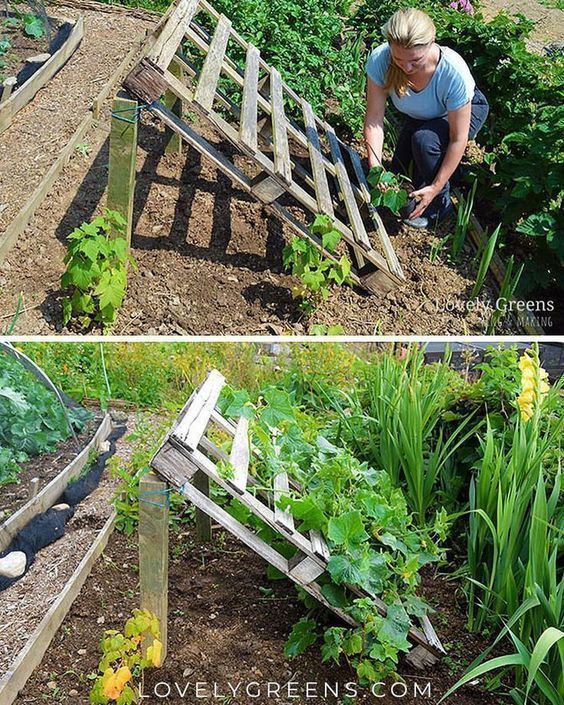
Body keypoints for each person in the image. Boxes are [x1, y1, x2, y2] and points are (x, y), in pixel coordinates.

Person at [364, 7, 489, 228]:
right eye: (399, 59)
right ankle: (457, 172)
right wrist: (375, 167)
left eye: (415, 60)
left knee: (424, 141)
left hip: (464, 111)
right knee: (398, 172)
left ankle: (441, 206)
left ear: (431, 44)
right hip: (425, 115)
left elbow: (457, 138)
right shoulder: (381, 61)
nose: (407, 67)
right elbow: (374, 120)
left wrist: (435, 187)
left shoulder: (452, 73)